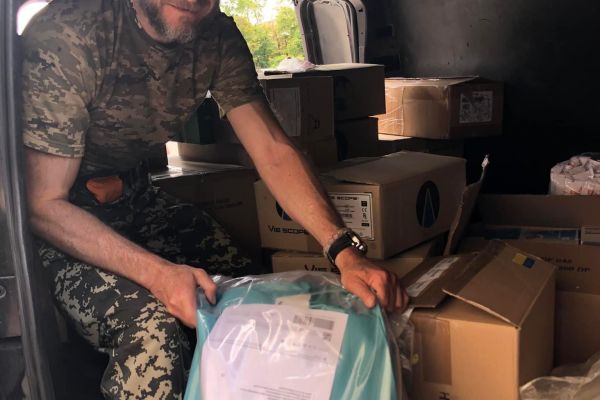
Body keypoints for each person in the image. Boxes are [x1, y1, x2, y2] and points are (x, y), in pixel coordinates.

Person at [21, 0, 409, 398]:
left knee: (252, 295)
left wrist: (345, 252)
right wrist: (159, 275)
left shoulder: (217, 37)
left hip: (135, 197)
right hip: (62, 222)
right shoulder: (72, 35)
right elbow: (42, 203)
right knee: (151, 330)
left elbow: (272, 151)